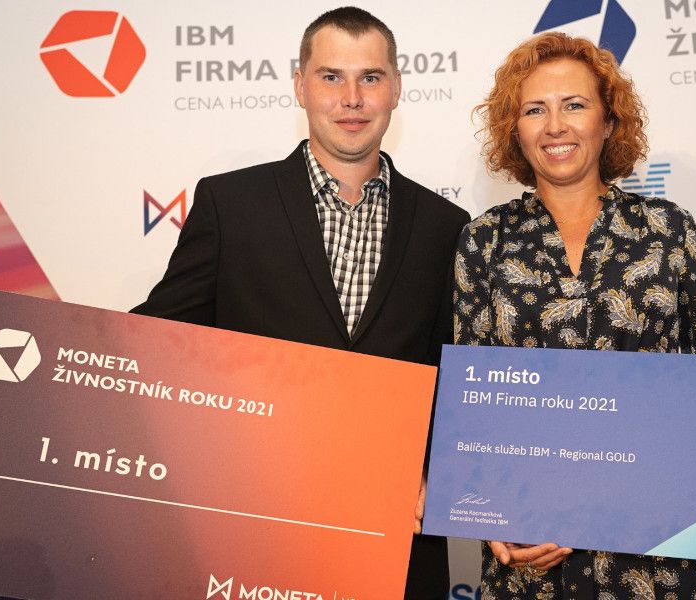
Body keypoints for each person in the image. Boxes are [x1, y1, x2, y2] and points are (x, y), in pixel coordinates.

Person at [453, 32, 696, 599]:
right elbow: (474, 402)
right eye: (534, 110)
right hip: (535, 549)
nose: (555, 126)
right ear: (514, 130)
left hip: (661, 544)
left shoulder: (667, 228)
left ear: (609, 122)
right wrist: (494, 516)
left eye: (574, 105)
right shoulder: (484, 241)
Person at [132, 7, 469, 599]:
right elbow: (157, 342)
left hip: (394, 537)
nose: (352, 98)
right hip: (254, 532)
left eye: (370, 77)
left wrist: (441, 472)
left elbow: (456, 378)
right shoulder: (230, 205)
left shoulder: (448, 226)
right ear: (300, 86)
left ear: (395, 89)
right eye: (331, 76)